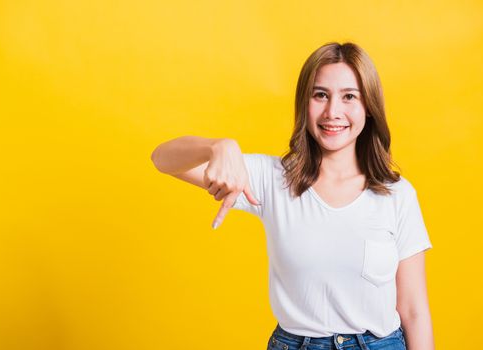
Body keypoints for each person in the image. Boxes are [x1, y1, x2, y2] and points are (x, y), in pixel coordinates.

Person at [151, 41, 435, 350]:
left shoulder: (397, 195)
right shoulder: (272, 179)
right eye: (320, 95)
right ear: (305, 102)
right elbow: (161, 159)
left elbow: (413, 310)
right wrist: (217, 146)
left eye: (349, 96)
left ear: (368, 108)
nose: (332, 112)